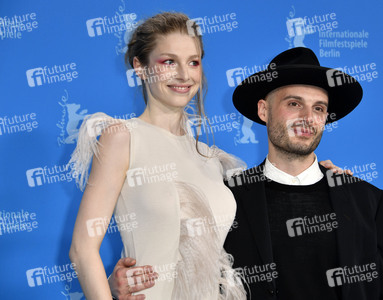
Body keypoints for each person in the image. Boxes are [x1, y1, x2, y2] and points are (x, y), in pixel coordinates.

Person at [109, 47, 383, 300]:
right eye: (294, 104)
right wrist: (118, 286)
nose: (308, 117)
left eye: (319, 109)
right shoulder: (225, 196)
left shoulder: (366, 200)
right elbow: (183, 277)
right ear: (264, 111)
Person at [68, 12, 248, 300]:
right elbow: (82, 248)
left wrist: (326, 175)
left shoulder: (212, 159)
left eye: (193, 62)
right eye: (168, 62)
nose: (184, 75)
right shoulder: (122, 138)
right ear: (140, 67)